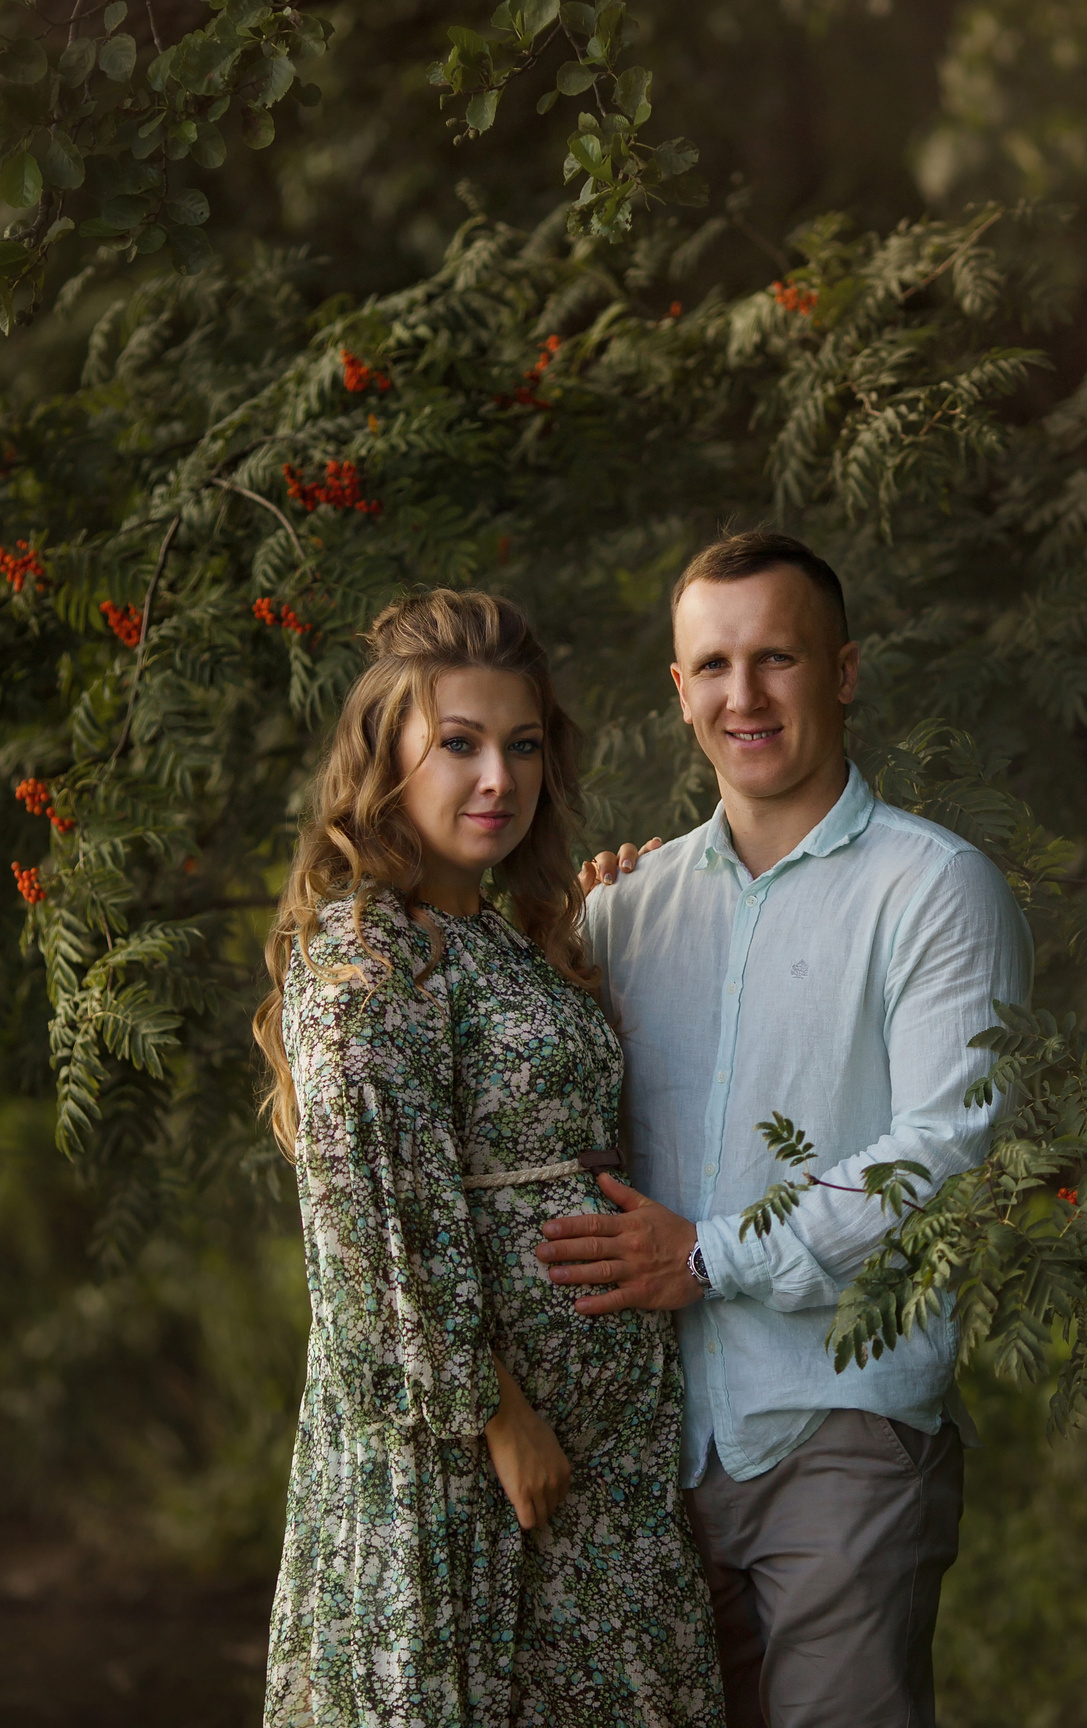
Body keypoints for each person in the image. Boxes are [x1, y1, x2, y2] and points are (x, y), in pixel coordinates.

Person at [534, 532, 1033, 1728]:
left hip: (843, 1425)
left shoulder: (933, 888)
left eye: (777, 659)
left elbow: (946, 1148)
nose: (742, 696)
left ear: (844, 671)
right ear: (678, 690)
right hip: (644, 1450)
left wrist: (710, 1256)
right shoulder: (623, 910)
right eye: (712, 665)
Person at [253, 590, 724, 1728]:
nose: (495, 779)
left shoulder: (500, 939)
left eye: (519, 746)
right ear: (389, 757)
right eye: (457, 745)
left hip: (595, 1471)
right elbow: (369, 1228)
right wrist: (497, 1415)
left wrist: (613, 921)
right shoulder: (364, 953)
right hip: (458, 1466)